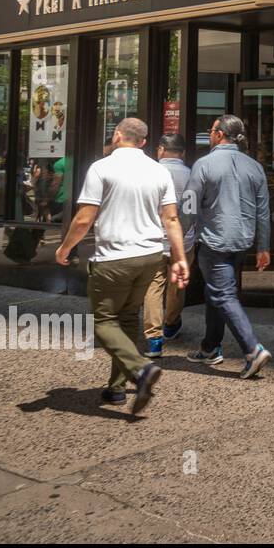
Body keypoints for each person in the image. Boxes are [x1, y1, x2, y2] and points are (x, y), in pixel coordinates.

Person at [54, 118, 188, 414]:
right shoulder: (158, 170)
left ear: (117, 136)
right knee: (127, 319)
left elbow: (85, 217)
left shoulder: (102, 167)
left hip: (114, 257)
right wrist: (179, 258)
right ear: (143, 141)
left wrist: (65, 247)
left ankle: (140, 369)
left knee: (104, 322)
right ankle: (116, 389)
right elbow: (172, 219)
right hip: (151, 256)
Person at [183, 115, 273, 379]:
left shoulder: (204, 164)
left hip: (214, 240)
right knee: (217, 292)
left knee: (223, 295)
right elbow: (263, 213)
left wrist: (176, 235)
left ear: (219, 134)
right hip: (242, 241)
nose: (209, 134)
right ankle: (210, 347)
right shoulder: (255, 167)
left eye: (211, 130)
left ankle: (252, 350)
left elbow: (189, 206)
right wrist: (263, 246)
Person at [142, 133, 195, 357]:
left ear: (161, 149)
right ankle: (171, 324)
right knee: (177, 285)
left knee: (153, 287)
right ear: (182, 153)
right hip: (184, 240)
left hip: (154, 239)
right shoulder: (192, 174)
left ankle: (154, 339)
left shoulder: (149, 171)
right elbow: (193, 211)